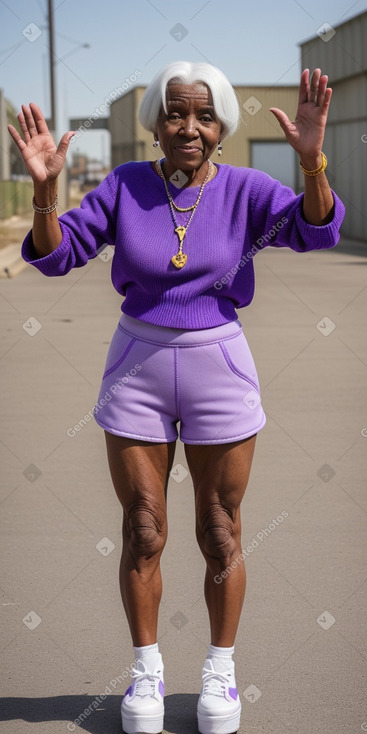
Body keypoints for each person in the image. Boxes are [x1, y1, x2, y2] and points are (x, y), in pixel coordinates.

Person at [9, 60, 345, 734]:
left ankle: (219, 673)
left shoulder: (247, 189)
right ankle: (146, 673)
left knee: (219, 531)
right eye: (174, 112)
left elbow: (316, 231)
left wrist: (311, 165)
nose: (187, 127)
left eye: (202, 115)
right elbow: (55, 254)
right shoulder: (126, 185)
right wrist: (45, 194)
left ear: (220, 125)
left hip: (218, 364)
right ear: (155, 124)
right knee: (143, 527)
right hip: (136, 364)